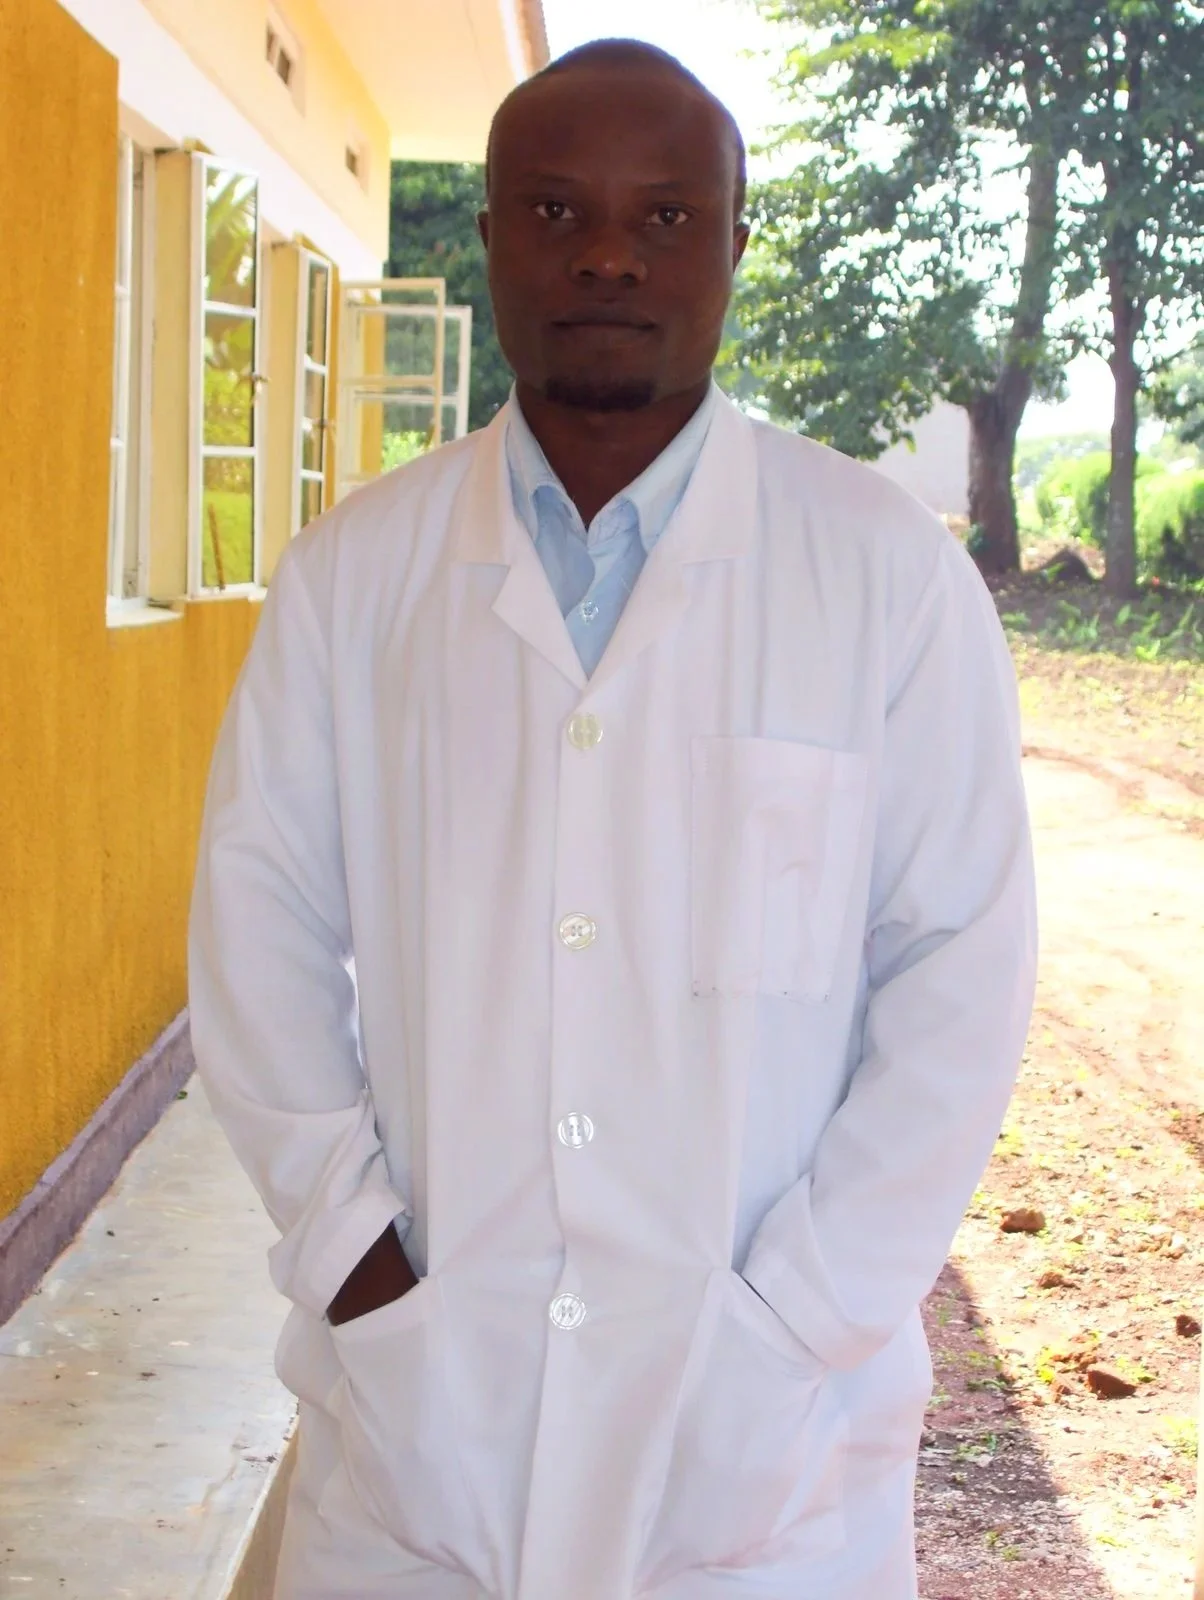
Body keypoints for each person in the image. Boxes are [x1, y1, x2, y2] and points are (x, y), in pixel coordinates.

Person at [188, 37, 1037, 1600]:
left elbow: (959, 982)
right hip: (422, 1432)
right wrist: (365, 1284)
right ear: (494, 231)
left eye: (664, 217)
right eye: (555, 206)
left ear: (732, 242)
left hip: (768, 1445)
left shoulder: (883, 576)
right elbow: (259, 937)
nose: (605, 253)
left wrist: (794, 1329)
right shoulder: (352, 579)